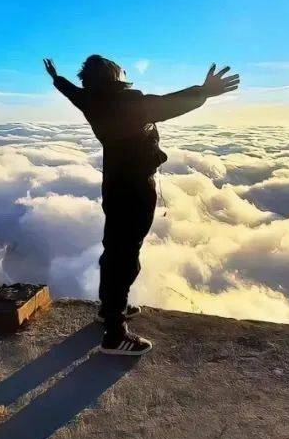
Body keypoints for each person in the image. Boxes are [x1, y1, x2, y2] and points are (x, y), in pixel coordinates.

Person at [44, 55, 240, 355]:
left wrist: (57, 78)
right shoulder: (126, 104)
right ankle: (114, 332)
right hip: (134, 188)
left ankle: (110, 309)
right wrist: (203, 91)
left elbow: (72, 92)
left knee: (115, 248)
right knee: (125, 254)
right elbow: (166, 104)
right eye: (121, 69)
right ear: (114, 75)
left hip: (115, 184)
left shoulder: (91, 100)